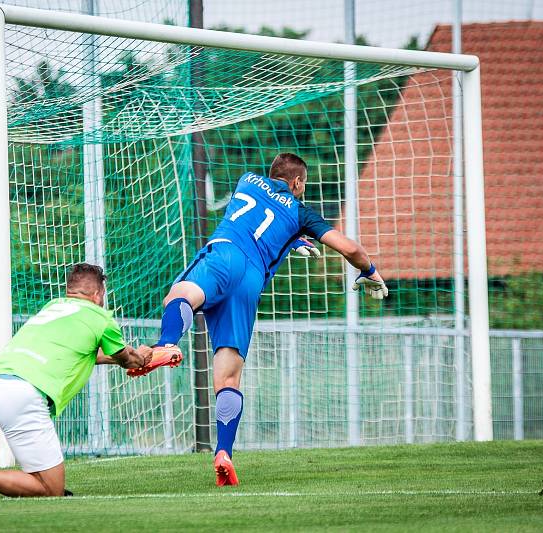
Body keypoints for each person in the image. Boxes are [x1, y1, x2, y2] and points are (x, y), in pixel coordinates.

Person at [128, 153, 388, 486]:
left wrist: (292, 238)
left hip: (225, 253)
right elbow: (349, 248)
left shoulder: (247, 180)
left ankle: (166, 345)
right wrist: (370, 272)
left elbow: (258, 217)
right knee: (228, 380)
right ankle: (224, 452)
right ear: (296, 182)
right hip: (251, 281)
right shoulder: (300, 212)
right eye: (303, 185)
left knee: (181, 295)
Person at [0, 263, 152, 498]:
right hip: (22, 396)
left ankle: (35, 480)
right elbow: (126, 359)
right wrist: (143, 356)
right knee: (51, 489)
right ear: (99, 294)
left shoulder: (54, 306)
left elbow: (85, 353)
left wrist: (130, 356)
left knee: (45, 481)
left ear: (70, 289)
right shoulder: (100, 317)